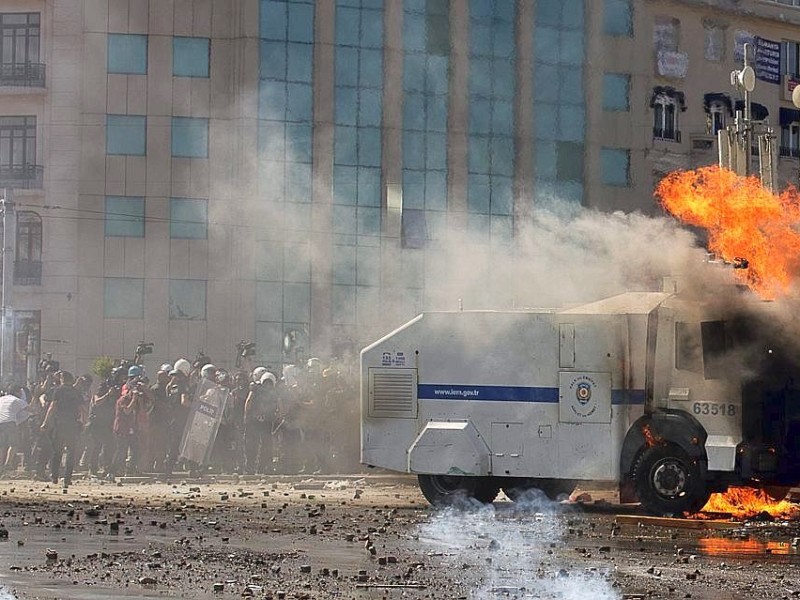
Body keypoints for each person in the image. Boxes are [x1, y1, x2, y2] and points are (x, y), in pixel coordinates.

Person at [40, 372, 83, 488]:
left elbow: (52, 407)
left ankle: (54, 476)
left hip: (59, 424)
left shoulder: (58, 390)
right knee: (71, 451)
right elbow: (80, 409)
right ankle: (67, 478)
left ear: (63, 379)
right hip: (72, 424)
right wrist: (80, 421)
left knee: (57, 450)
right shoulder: (76, 391)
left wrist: (45, 422)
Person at [85, 367, 124, 476]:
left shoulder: (119, 388)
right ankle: (92, 468)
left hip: (110, 421)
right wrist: (108, 394)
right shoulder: (104, 387)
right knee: (96, 446)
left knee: (110, 445)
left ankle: (107, 468)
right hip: (98, 422)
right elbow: (97, 402)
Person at [243, 372, 277, 474]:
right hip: (257, 421)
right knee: (253, 444)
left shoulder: (269, 392)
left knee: (263, 445)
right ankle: (252, 467)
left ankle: (260, 467)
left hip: (264, 421)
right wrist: (247, 415)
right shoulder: (256, 389)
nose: (267, 386)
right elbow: (248, 402)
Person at [0, 389, 30, 473]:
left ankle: (0, 466)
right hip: (9, 423)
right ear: (17, 392)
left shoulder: (1, 399)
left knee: (1, 446)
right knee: (13, 444)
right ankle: (7, 464)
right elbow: (30, 409)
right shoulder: (17, 400)